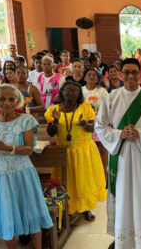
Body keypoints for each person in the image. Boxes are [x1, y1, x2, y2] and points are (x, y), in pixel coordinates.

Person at [95, 58, 141, 249]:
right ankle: (122, 235)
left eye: (134, 72)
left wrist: (140, 133)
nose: (131, 76)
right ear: (121, 75)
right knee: (122, 196)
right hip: (120, 157)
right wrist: (119, 134)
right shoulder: (111, 98)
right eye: (127, 72)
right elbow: (100, 126)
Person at [0, 84, 53, 249]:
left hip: (22, 174)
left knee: (32, 214)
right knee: (5, 216)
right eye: (2, 99)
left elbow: (29, 150)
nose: (7, 103)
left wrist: (5, 148)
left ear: (18, 101)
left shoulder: (26, 120)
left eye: (12, 99)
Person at [45, 81, 107, 220]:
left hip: (83, 151)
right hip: (63, 153)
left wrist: (84, 123)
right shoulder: (54, 110)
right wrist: (55, 121)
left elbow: (92, 129)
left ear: (79, 94)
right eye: (68, 90)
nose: (71, 93)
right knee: (66, 181)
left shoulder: (85, 108)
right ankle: (66, 207)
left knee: (84, 181)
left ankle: (86, 208)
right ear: (62, 92)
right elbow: (50, 133)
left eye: (75, 91)